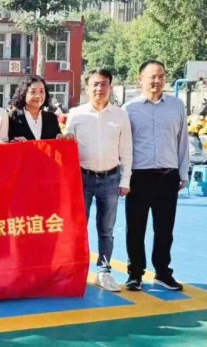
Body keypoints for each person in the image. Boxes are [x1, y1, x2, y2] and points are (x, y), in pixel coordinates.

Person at [64, 69, 132, 293]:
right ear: (87, 88)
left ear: (110, 87)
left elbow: (126, 149)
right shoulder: (76, 114)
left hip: (111, 178)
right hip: (82, 179)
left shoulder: (120, 115)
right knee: (78, 228)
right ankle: (75, 270)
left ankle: (104, 272)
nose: (99, 88)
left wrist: (125, 180)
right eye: (94, 84)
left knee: (106, 229)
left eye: (104, 84)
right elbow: (67, 146)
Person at [123, 60, 189, 292]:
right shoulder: (129, 109)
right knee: (135, 228)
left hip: (167, 176)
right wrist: (124, 178)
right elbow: (124, 147)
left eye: (161, 76)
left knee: (164, 229)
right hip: (138, 177)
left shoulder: (176, 106)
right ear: (140, 79)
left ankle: (162, 272)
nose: (157, 81)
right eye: (152, 76)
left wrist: (183, 172)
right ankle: (135, 273)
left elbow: (182, 141)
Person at [8, 75, 61, 141]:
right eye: (33, 92)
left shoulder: (51, 118)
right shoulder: (12, 117)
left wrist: (63, 138)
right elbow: (5, 141)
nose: (38, 96)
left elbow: (58, 141)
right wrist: (13, 141)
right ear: (23, 94)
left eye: (41, 91)